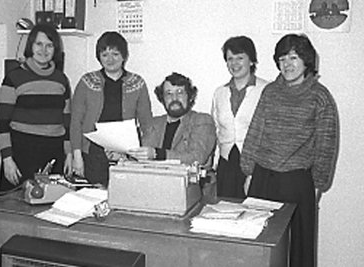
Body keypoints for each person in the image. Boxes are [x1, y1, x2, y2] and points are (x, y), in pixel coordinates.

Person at [240, 34, 339, 267]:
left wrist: (317, 184)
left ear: (306, 61)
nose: (287, 64)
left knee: (297, 249)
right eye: (282, 58)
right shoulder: (271, 92)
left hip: (297, 182)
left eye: (293, 58)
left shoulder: (320, 97)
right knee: (260, 246)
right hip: (263, 177)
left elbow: (326, 146)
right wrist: (248, 171)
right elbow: (255, 131)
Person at [0, 24, 72, 192]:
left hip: (53, 154)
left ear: (55, 49)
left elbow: (67, 122)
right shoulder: (14, 78)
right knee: (14, 210)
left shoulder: (61, 80)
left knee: (49, 209)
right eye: (39, 44)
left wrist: (69, 154)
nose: (43, 50)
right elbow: (2, 123)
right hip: (22, 153)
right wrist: (7, 159)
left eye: (49, 45)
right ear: (30, 45)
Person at [70, 31, 153, 187]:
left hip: (126, 154)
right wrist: (77, 156)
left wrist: (142, 156)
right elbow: (75, 122)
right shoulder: (86, 82)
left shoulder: (138, 83)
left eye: (115, 54)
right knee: (94, 196)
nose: (110, 59)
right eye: (105, 54)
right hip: (92, 153)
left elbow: (147, 123)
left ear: (124, 56)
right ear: (99, 56)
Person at [211, 36, 268, 199]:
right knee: (227, 211)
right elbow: (216, 129)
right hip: (226, 164)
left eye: (240, 58)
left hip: (257, 165)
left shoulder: (267, 90)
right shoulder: (219, 93)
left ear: (251, 61)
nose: (234, 64)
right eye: (230, 59)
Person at [128, 72, 216, 168]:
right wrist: (124, 155)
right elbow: (141, 153)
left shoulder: (202, 120)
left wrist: (158, 154)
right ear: (163, 99)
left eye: (179, 92)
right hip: (153, 179)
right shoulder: (154, 123)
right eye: (168, 93)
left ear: (190, 97)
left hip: (188, 181)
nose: (174, 98)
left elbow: (197, 157)